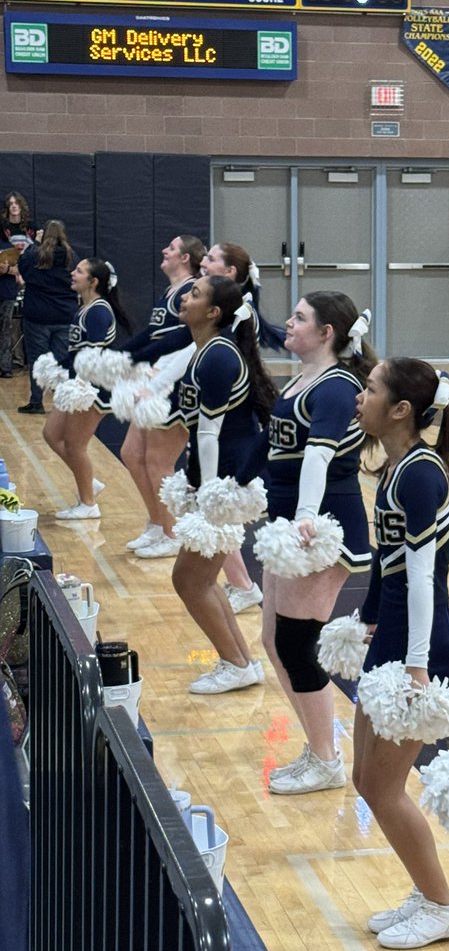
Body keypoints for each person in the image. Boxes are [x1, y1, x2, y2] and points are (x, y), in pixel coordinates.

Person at [352, 358, 449, 949]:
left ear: (401, 410)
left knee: (387, 787)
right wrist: (368, 617)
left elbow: (423, 578)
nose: (359, 397)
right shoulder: (394, 467)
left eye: (370, 390)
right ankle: (426, 895)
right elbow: (386, 560)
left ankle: (444, 903)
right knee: (365, 779)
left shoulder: (420, 473)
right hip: (392, 636)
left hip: (418, 646)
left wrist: (416, 667)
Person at [262, 291, 376, 795]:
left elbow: (318, 458)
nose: (289, 322)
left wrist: (305, 514)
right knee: (272, 639)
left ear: (327, 332)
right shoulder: (303, 377)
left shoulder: (335, 387)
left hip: (322, 528)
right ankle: (317, 746)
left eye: (300, 317)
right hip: (290, 526)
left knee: (295, 643)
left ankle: (327, 759)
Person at [172, 275, 277, 694]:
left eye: (195, 294)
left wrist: (208, 498)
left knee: (189, 580)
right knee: (198, 579)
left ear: (214, 313)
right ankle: (240, 663)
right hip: (214, 480)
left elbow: (210, 434)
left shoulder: (217, 357)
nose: (185, 296)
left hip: (223, 484)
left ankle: (236, 663)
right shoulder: (206, 350)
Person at [200, 241, 279, 613]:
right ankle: (242, 583)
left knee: (218, 512)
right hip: (227, 427)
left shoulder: (233, 326)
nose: (204, 262)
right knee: (214, 512)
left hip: (233, 431)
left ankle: (244, 585)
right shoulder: (224, 321)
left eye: (212, 260)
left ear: (230, 273)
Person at [120, 235, 205, 558]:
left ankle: (172, 532)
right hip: (155, 377)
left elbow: (190, 340)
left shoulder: (190, 291)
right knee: (131, 452)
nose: (164, 251)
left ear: (185, 258)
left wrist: (161, 374)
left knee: (158, 460)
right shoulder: (170, 292)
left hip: (175, 384)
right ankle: (156, 523)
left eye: (171, 248)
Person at [44, 258, 130, 519]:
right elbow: (78, 353)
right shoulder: (86, 307)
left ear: (93, 282)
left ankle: (88, 504)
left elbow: (93, 353)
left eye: (79, 271)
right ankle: (88, 479)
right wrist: (59, 367)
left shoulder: (99, 311)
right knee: (51, 433)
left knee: (74, 446)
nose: (73, 273)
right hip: (77, 382)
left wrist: (78, 380)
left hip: (91, 389)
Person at [16, 219, 78, 415]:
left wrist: (36, 243)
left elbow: (22, 267)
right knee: (62, 360)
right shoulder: (71, 257)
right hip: (64, 315)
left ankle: (36, 401)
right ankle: (63, 403)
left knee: (37, 360)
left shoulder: (35, 255)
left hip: (38, 316)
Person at [0, 193, 36, 379]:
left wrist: (17, 272)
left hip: (19, 281)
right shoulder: (3, 229)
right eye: (10, 204)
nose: (14, 206)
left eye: (16, 203)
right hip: (8, 278)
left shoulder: (31, 227)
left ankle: (10, 365)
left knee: (10, 326)